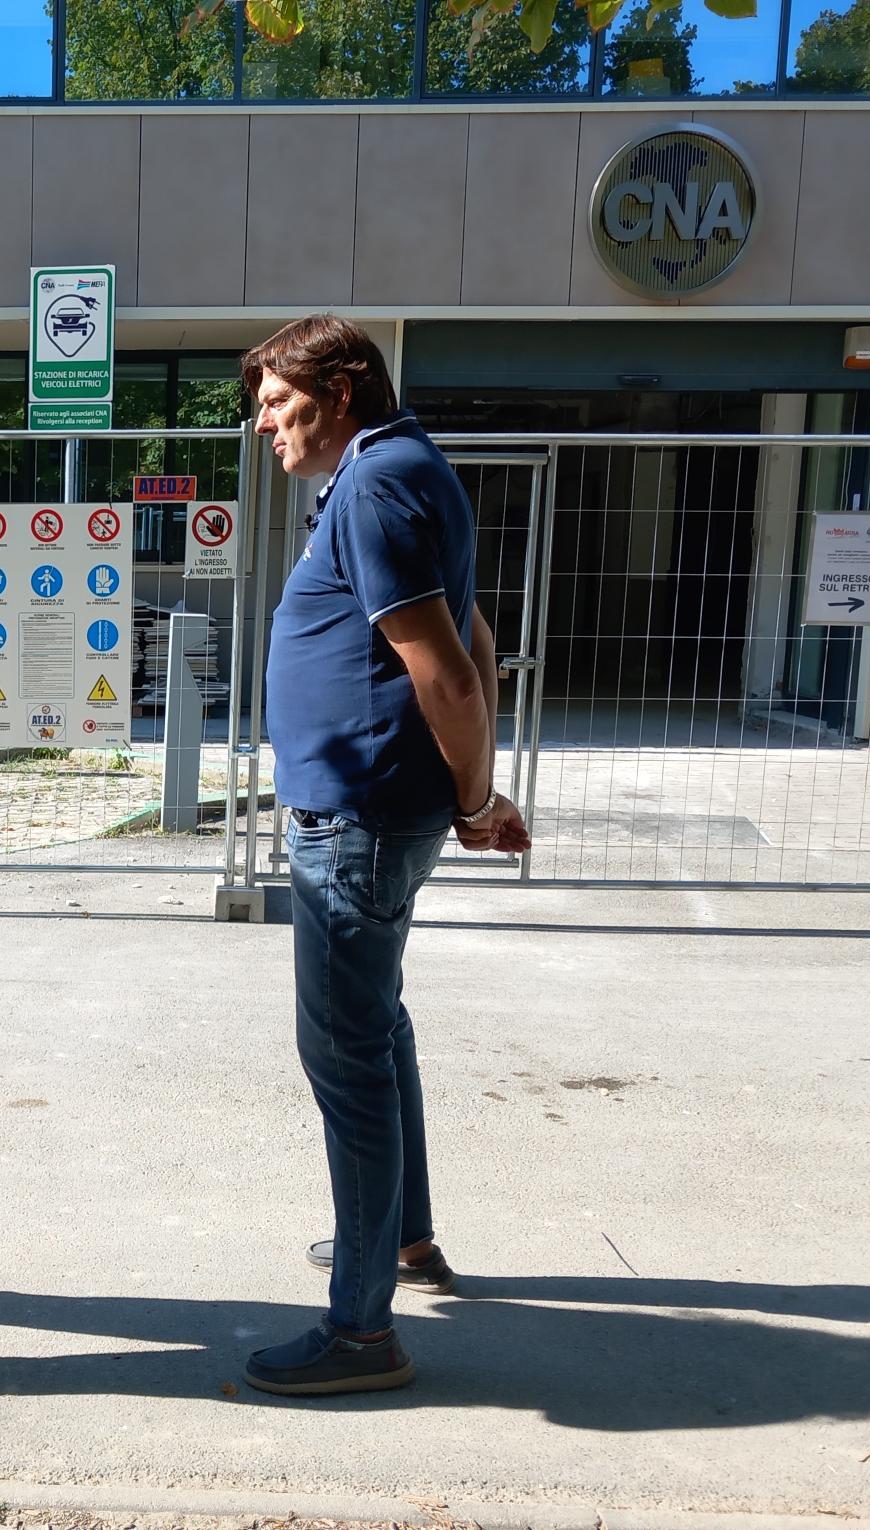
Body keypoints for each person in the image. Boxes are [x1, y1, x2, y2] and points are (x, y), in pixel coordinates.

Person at [239, 316, 529, 1397]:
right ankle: (400, 1242)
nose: (263, 423)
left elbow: (448, 671)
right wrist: (469, 790)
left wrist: (475, 795)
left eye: (277, 401)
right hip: (370, 809)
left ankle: (362, 1333)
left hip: (358, 819)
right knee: (379, 1028)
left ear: (343, 388)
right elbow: (480, 632)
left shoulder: (378, 484)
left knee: (347, 1057)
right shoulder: (401, 471)